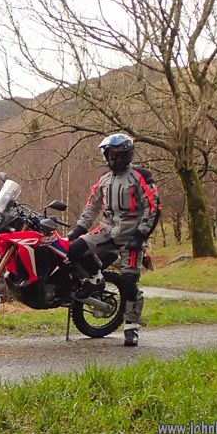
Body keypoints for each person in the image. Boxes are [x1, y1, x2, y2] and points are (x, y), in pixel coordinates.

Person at [66, 133, 161, 346]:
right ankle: (95, 279)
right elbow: (92, 205)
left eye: (117, 154)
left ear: (127, 154)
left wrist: (141, 235)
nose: (113, 158)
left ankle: (131, 327)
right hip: (108, 229)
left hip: (132, 234)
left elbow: (153, 206)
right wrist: (80, 228)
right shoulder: (104, 179)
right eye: (109, 154)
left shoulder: (141, 176)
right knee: (74, 250)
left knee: (129, 282)